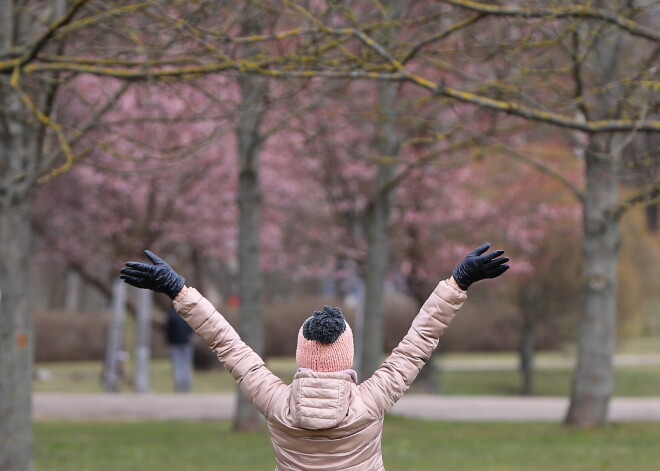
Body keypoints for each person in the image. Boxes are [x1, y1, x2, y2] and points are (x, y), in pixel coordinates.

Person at [120, 244, 509, 471]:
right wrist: (458, 282)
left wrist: (179, 291)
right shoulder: (370, 403)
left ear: (301, 354)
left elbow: (226, 342)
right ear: (348, 355)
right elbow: (419, 340)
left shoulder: (276, 403)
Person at [165, 306, 194, 392]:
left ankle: (178, 387)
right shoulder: (185, 314)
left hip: (174, 344)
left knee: (177, 366)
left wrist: (168, 342)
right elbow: (191, 328)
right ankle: (186, 387)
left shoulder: (171, 316)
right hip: (186, 343)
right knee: (186, 365)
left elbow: (168, 331)